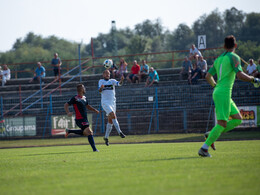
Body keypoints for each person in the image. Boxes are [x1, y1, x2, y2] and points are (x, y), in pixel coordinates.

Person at [198, 35, 260, 157]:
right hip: (224, 93)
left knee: (238, 119)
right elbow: (240, 75)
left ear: (224, 46)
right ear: (235, 46)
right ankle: (204, 149)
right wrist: (253, 79)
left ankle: (211, 134)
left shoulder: (218, 59)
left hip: (220, 92)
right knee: (222, 123)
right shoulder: (234, 57)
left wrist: (215, 85)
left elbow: (207, 76)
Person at [64, 84, 99, 152]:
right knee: (89, 132)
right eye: (81, 88)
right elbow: (66, 104)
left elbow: (87, 106)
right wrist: (68, 112)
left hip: (84, 119)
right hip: (79, 119)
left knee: (86, 133)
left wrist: (94, 110)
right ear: (79, 90)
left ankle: (69, 131)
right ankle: (94, 149)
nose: (83, 89)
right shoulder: (75, 98)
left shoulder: (84, 98)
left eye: (83, 87)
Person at [99, 70, 126, 146]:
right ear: (103, 74)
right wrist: (101, 88)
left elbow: (119, 84)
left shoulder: (112, 81)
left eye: (108, 73)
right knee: (113, 114)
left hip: (113, 103)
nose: (107, 75)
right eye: (106, 73)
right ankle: (120, 132)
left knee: (110, 121)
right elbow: (99, 91)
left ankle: (106, 137)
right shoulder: (101, 81)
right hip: (105, 102)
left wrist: (121, 80)